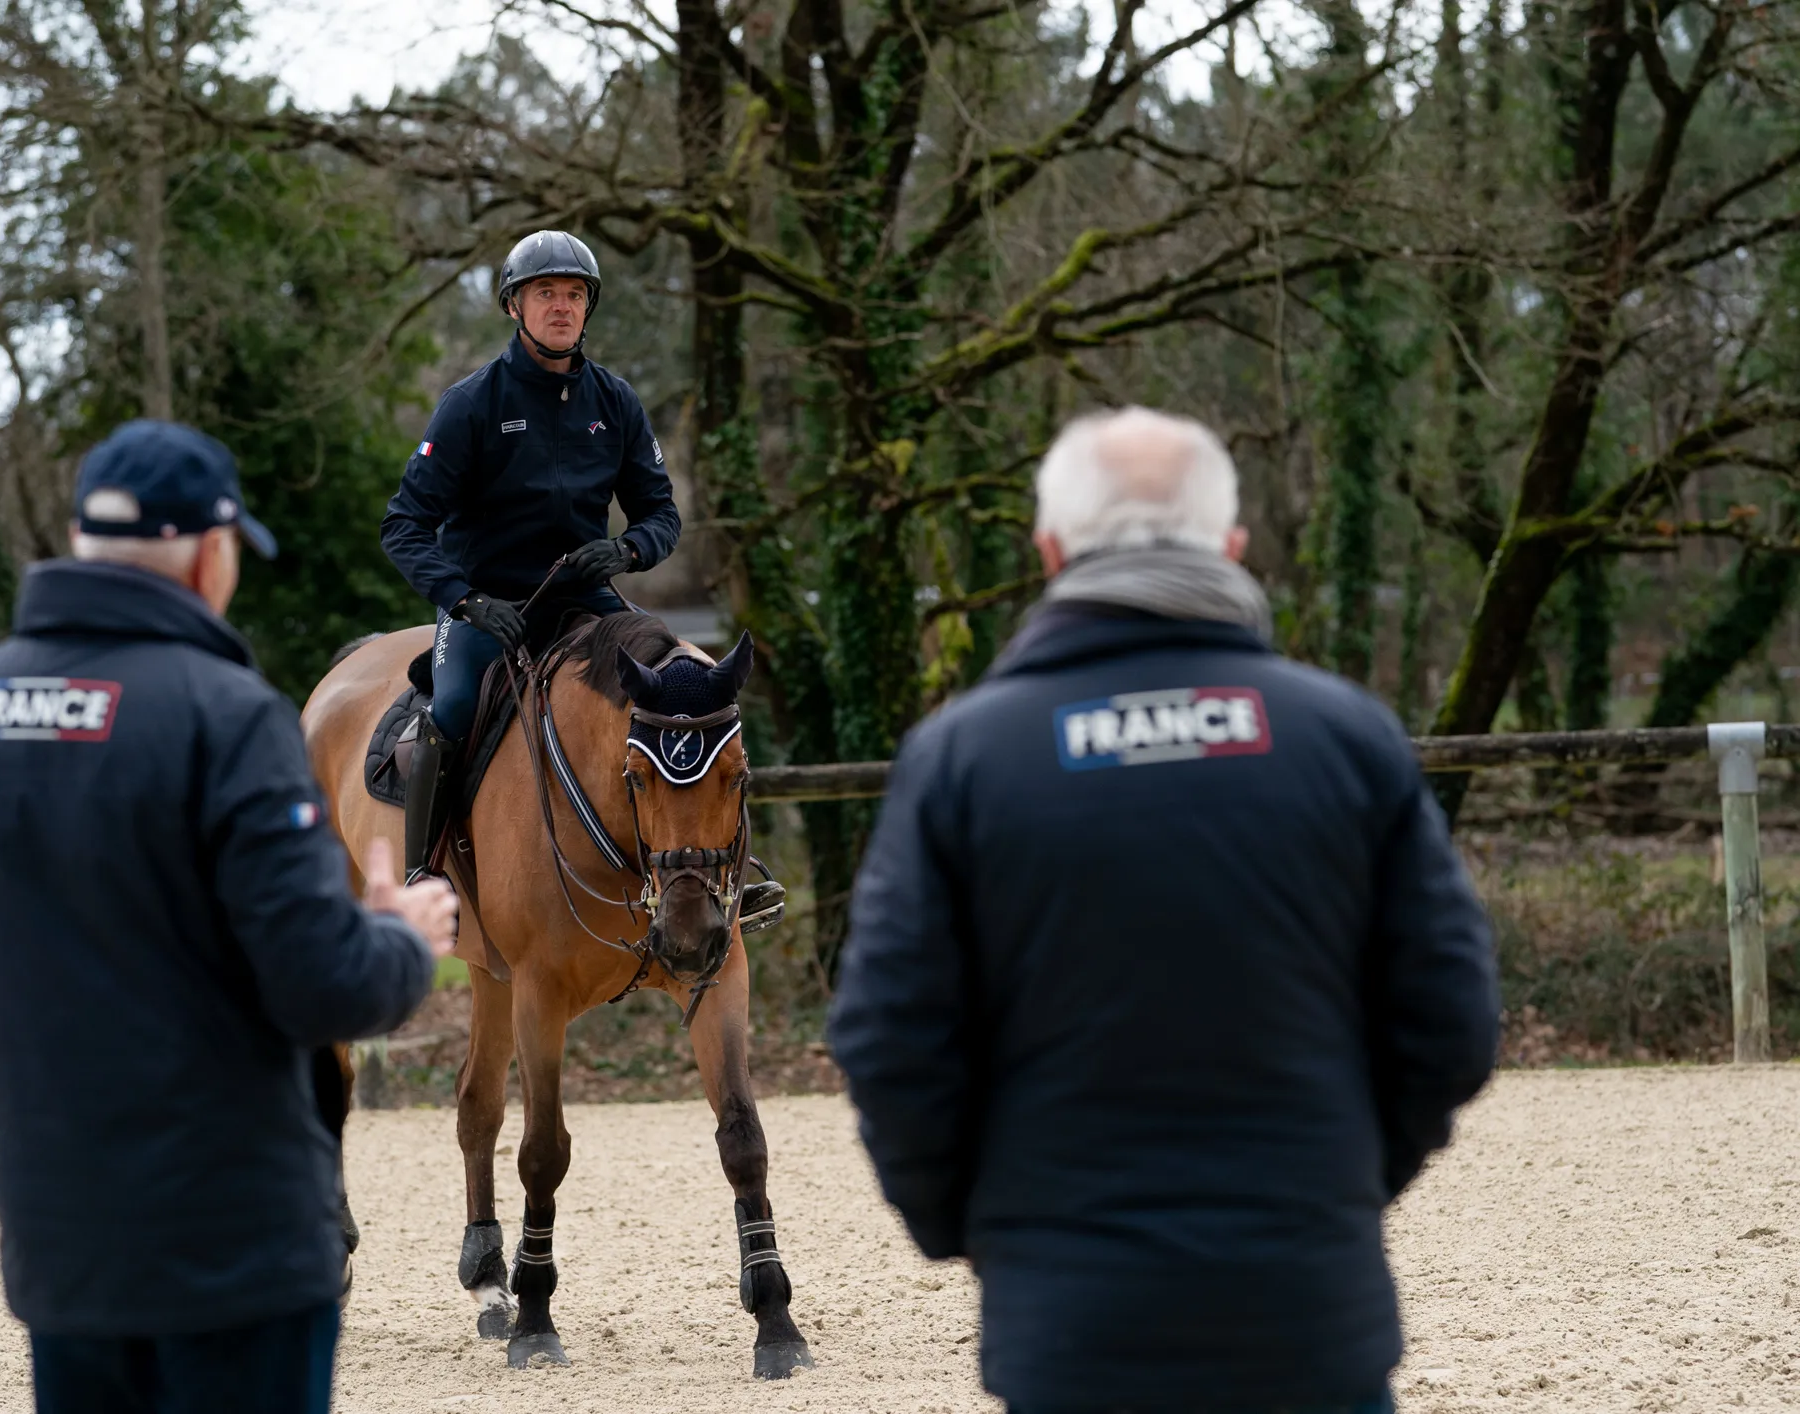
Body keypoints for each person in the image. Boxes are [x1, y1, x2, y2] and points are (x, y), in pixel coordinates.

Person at [827, 407, 1499, 1414]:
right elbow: (1452, 1022)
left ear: (1051, 551)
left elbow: (887, 1040)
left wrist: (977, 1228)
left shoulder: (964, 760)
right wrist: (1343, 1184)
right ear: (1232, 547)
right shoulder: (1347, 738)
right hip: (1311, 1318)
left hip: (1071, 1330)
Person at [0, 420, 459, 1414]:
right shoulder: (226, 714)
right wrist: (398, 939)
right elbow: (324, 983)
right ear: (211, 551)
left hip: (61, 1248)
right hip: (239, 1250)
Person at [378, 229, 680, 872]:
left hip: (584, 596)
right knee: (454, 706)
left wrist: (627, 551)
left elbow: (661, 513)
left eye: (574, 294)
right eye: (545, 293)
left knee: (677, 683)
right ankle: (422, 871)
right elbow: (403, 526)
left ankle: (710, 872)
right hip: (487, 603)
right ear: (515, 306)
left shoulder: (616, 402)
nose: (562, 307)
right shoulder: (470, 405)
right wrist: (465, 599)